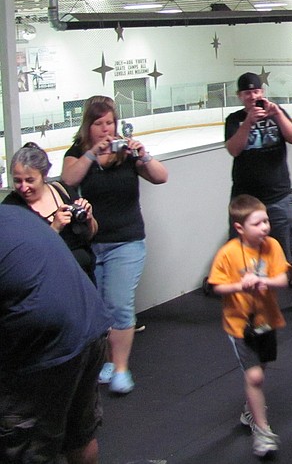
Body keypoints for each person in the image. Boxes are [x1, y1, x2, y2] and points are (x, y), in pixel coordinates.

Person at [61, 95, 168, 395]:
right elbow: (69, 178)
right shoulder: (78, 153)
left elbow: (161, 177)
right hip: (92, 243)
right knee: (99, 308)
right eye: (99, 124)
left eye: (110, 122)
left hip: (127, 240)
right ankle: (108, 361)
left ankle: (121, 367)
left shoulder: (126, 154)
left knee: (120, 305)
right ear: (88, 126)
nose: (106, 129)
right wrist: (93, 154)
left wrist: (143, 155)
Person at [0, 204, 112, 464]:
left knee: (29, 446)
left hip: (49, 343)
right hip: (90, 324)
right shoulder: (15, 214)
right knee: (79, 435)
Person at [224, 72, 292, 316]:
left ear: (262, 92)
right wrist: (248, 123)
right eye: (247, 93)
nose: (253, 97)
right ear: (240, 96)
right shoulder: (234, 120)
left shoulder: (278, 113)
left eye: (256, 92)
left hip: (278, 194)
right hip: (246, 199)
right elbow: (234, 149)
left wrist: (277, 115)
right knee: (245, 249)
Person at [207, 195, 289, 458]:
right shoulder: (228, 253)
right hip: (240, 324)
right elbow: (216, 286)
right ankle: (262, 431)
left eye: (266, 221)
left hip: (266, 320)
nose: (265, 227)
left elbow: (283, 279)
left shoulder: (272, 246)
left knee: (261, 368)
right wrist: (239, 285)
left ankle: (249, 409)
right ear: (240, 227)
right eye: (257, 223)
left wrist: (265, 281)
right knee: (255, 376)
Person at [4, 142, 97, 280]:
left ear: (44, 175)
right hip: (49, 281)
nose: (24, 187)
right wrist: (54, 228)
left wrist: (88, 219)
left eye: (30, 180)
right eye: (18, 181)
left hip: (84, 276)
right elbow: (21, 256)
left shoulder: (62, 190)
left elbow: (91, 234)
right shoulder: (11, 209)